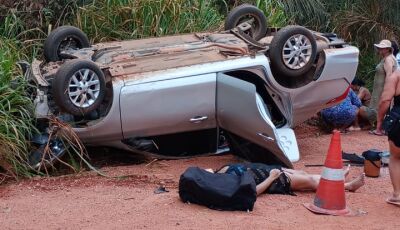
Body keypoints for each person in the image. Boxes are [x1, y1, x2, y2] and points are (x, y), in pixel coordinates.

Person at [206, 163, 365, 196]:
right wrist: (272, 177)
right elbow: (253, 191)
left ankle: (337, 179)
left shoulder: (222, 170)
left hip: (270, 170)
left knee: (303, 173)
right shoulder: (227, 182)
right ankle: (347, 186)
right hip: (274, 180)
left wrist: (276, 169)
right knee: (310, 181)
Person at [359, 39, 398, 135]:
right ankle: (381, 129)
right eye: (379, 47)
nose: (379, 49)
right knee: (383, 108)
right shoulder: (388, 58)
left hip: (383, 89)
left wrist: (387, 91)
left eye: (382, 48)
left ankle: (379, 129)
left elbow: (389, 76)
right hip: (381, 89)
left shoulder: (388, 59)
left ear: (388, 49)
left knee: (380, 108)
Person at [377, 70, 400, 206]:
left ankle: (397, 195)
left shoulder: (396, 75)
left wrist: (379, 120)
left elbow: (385, 100)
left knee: (396, 157)